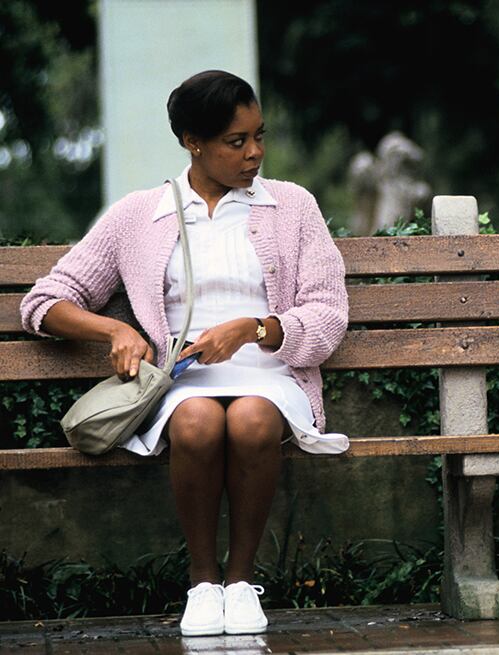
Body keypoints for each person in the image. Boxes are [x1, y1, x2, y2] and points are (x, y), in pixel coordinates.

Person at [20, 70, 350, 636]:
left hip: (271, 374)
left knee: (250, 419)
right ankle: (202, 583)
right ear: (192, 142)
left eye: (259, 136)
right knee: (196, 421)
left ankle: (242, 582)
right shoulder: (139, 215)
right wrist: (114, 332)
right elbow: (45, 301)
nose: (255, 153)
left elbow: (327, 315)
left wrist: (252, 329)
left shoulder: (292, 206)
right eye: (236, 141)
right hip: (185, 381)